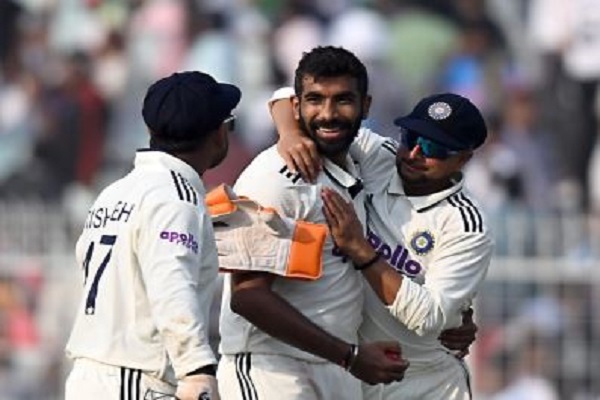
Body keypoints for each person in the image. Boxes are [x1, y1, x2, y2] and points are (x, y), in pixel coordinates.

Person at [216, 46, 409, 400]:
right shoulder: (276, 179)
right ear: (297, 107)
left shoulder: (363, 159)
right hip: (273, 370)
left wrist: (452, 311)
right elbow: (248, 296)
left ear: (366, 106)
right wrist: (349, 356)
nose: (328, 114)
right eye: (315, 100)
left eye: (343, 100)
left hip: (335, 367)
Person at [273, 91, 493, 399]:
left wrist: (362, 251)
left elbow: (428, 317)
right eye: (411, 137)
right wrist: (290, 133)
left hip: (422, 381)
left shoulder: (466, 224)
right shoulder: (381, 156)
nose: (414, 153)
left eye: (433, 148)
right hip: (350, 368)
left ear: (463, 158)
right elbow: (287, 97)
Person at [64, 71, 241, 400]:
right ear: (219, 134)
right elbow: (172, 283)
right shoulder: (176, 197)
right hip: (137, 378)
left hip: (91, 375)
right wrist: (196, 369)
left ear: (150, 131)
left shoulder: (115, 191)